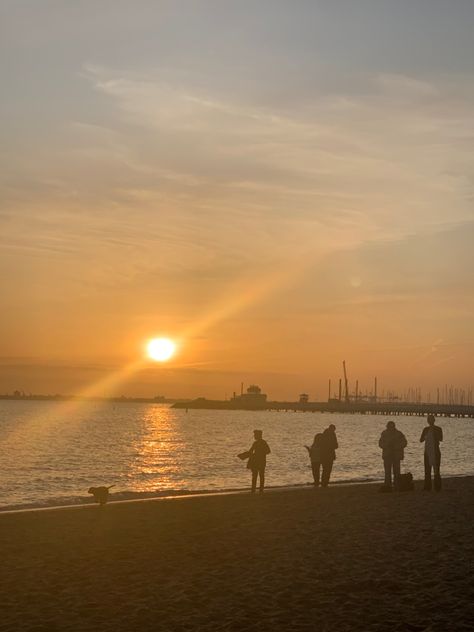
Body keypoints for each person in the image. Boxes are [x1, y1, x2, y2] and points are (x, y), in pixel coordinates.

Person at [378, 421, 407, 491]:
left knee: (396, 471)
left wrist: (396, 447)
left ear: (394, 426)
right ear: (387, 426)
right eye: (389, 426)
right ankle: (388, 485)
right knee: (387, 472)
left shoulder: (399, 434)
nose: (390, 428)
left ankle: (396, 485)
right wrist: (387, 445)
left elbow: (405, 443)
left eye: (392, 426)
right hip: (387, 455)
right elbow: (380, 444)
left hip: (396, 455)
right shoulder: (384, 433)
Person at [420, 414, 443, 492]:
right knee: (427, 470)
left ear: (434, 420)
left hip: (436, 451)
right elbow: (421, 440)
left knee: (436, 469)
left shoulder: (438, 429)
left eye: (431, 419)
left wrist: (434, 434)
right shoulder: (425, 429)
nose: (430, 421)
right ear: (427, 421)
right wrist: (425, 436)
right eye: (428, 420)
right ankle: (427, 487)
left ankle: (437, 487)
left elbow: (441, 438)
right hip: (427, 451)